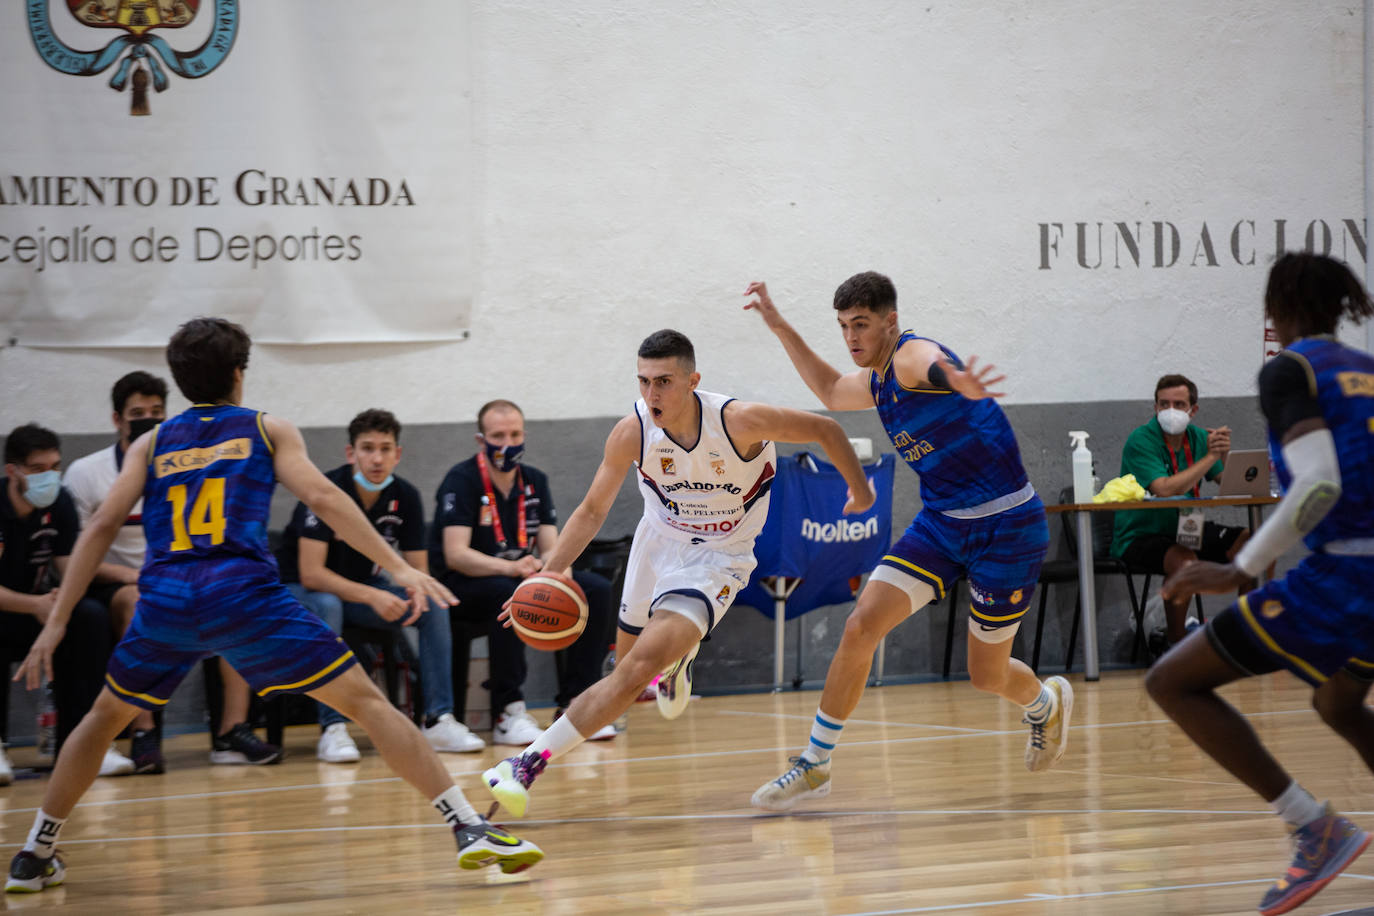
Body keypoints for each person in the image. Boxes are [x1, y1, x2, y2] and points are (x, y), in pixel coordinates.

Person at [5, 318, 542, 895]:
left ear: (181, 381)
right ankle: (468, 826)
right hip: (242, 597)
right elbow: (322, 496)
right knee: (369, 703)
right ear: (240, 374)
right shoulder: (266, 429)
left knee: (101, 719)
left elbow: (101, 524)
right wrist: (400, 567)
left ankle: (35, 852)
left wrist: (54, 622)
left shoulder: (152, 442)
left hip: (167, 600)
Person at [482, 329, 874, 817]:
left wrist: (861, 491)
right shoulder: (633, 431)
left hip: (718, 557)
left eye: (664, 382)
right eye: (644, 382)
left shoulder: (740, 422)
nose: (652, 395)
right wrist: (547, 574)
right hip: (657, 545)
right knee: (626, 676)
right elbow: (589, 511)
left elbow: (827, 430)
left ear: (693, 381)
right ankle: (678, 663)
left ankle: (524, 765)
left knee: (633, 671)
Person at [742, 273, 1071, 813]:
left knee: (986, 674)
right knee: (861, 624)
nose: (852, 337)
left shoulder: (911, 355)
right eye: (845, 326)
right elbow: (827, 390)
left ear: (889, 322)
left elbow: (934, 368)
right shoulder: (875, 382)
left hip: (1006, 527)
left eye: (862, 325)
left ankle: (1043, 703)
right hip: (942, 525)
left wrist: (957, 379)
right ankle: (816, 761)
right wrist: (779, 324)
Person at [1147, 252, 1374, 916]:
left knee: (1171, 681)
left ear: (1277, 309)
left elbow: (1321, 482)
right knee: (1337, 704)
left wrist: (1240, 569)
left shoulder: (1289, 370)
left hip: (1347, 577)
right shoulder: (1365, 371)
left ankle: (1314, 828)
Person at [64, 371, 279, 771]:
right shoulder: (86, 472)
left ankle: (233, 729)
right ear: (117, 420)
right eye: (138, 413)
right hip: (120, 583)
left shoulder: (187, 458)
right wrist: (130, 577)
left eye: (157, 412)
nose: (148, 419)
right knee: (138, 600)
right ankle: (144, 731)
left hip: (181, 576)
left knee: (232, 600)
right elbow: (79, 550)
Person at [279, 408, 484, 762]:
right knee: (328, 604)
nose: (377, 458)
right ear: (350, 453)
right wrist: (373, 594)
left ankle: (438, 719)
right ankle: (333, 728)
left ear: (397, 454)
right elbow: (311, 574)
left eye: (385, 448)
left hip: (358, 593)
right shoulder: (326, 492)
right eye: (368, 448)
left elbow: (418, 569)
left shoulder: (406, 496)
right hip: (300, 595)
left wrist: (415, 592)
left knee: (433, 604)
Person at [431, 399, 617, 745]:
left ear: (524, 435)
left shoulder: (534, 481)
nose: (507, 442)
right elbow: (456, 554)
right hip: (464, 586)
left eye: (515, 434)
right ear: (480, 439)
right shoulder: (461, 479)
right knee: (509, 592)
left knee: (594, 590)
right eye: (498, 435)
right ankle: (508, 710)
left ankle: (576, 704)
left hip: (519, 577)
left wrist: (556, 572)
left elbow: (550, 546)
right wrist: (513, 567)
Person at [0, 424, 125, 784]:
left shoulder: (60, 501)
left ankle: (82, 746)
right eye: (39, 470)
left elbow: (72, 569)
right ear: (14, 471)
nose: (50, 477)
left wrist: (59, 603)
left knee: (89, 617)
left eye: (55, 467)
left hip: (39, 610)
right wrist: (36, 605)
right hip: (12, 608)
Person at [1112, 373, 1250, 648]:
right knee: (1184, 561)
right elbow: (1164, 489)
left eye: (1178, 404)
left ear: (1193, 410)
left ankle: (1245, 635)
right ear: (1155, 407)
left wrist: (1223, 455)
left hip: (1187, 527)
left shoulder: (1199, 438)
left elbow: (1227, 483)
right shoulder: (1141, 440)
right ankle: (1177, 645)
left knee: (1253, 543)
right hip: (1141, 534)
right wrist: (1210, 457)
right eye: (1164, 404)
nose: (1170, 411)